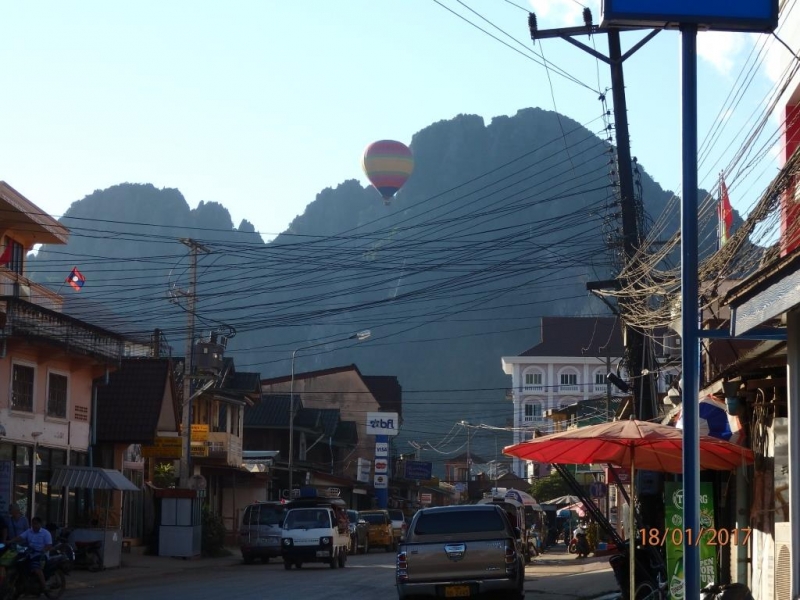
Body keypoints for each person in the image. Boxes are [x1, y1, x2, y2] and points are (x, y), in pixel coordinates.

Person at [7, 516, 52, 592]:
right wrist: (10, 541)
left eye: (36, 524)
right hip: (30, 553)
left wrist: (43, 550)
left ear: (40, 524)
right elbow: (20, 537)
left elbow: (49, 546)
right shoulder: (29, 531)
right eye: (33, 524)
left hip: (41, 555)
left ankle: (44, 586)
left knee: (36, 569)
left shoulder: (46, 533)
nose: (34, 526)